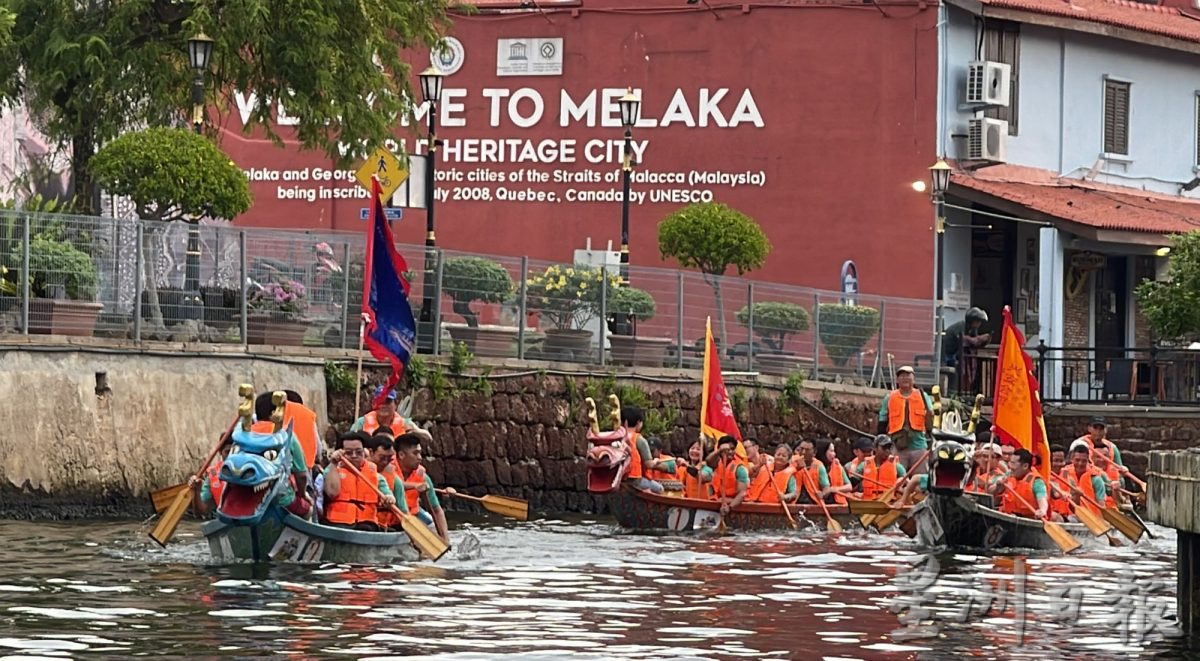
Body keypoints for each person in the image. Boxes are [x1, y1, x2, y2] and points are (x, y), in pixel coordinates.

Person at [323, 433, 396, 531]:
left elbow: (386, 492)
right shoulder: (332, 470)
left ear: (364, 452)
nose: (354, 456)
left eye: (359, 452)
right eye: (348, 453)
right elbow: (332, 493)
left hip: (367, 523)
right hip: (338, 523)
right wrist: (333, 463)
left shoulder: (375, 475)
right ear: (340, 453)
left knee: (368, 528)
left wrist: (389, 498)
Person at [394, 432, 453, 545]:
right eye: (415, 454)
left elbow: (436, 509)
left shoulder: (422, 476)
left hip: (414, 516)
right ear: (401, 455)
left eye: (420, 453)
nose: (420, 458)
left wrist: (445, 540)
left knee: (432, 527)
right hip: (393, 518)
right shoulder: (389, 471)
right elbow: (396, 483)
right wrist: (415, 486)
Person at [876, 365, 934, 474]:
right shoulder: (890, 397)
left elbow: (931, 419)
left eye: (908, 375)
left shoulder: (923, 396)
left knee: (921, 479)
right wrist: (881, 443)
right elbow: (882, 420)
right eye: (901, 376)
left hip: (919, 445)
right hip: (897, 446)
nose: (905, 378)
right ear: (897, 380)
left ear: (914, 378)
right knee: (895, 476)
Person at [991, 449, 1053, 521]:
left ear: (1025, 466)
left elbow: (1042, 499)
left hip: (1028, 519)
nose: (1010, 466)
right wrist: (997, 488)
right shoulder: (1008, 475)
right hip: (1008, 517)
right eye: (1010, 462)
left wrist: (1042, 510)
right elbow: (990, 490)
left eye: (1013, 463)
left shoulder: (1037, 482)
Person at [367, 434, 410, 531]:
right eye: (382, 457)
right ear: (371, 452)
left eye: (389, 458)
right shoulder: (359, 469)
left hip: (381, 526)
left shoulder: (395, 480)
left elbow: (403, 511)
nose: (385, 462)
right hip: (359, 522)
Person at [942, 307, 991, 393]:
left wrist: (985, 340)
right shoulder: (961, 326)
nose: (978, 324)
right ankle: (954, 391)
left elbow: (974, 342)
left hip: (957, 354)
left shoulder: (973, 329)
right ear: (971, 320)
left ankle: (969, 390)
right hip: (947, 354)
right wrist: (979, 338)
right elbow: (965, 340)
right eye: (977, 321)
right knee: (959, 368)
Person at [622, 406, 664, 494]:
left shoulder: (617, 436)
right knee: (660, 489)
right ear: (638, 422)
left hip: (619, 478)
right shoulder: (639, 440)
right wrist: (655, 461)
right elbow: (648, 464)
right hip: (634, 480)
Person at [1059, 444, 1108, 517]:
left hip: (1089, 517)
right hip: (1066, 515)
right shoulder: (1064, 473)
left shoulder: (1096, 479)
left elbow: (1101, 504)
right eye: (1077, 460)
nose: (1080, 464)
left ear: (1088, 460)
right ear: (1072, 459)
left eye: (1084, 461)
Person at [706, 435, 750, 516]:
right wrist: (720, 450)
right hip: (717, 501)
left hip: (733, 504)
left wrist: (729, 507)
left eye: (732, 449)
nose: (730, 451)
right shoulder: (716, 462)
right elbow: (708, 461)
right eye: (727, 449)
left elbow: (742, 493)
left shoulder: (740, 469)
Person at [854, 434, 907, 500]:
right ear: (875, 448)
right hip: (868, 502)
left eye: (889, 447)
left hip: (888, 501)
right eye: (884, 447)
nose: (887, 450)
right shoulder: (864, 465)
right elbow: (852, 484)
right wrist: (857, 494)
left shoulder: (896, 466)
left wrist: (901, 482)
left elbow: (907, 481)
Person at [190, 437, 232, 517]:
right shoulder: (213, 475)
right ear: (220, 452)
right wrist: (197, 491)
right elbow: (200, 511)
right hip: (223, 521)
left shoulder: (251, 471)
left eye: (234, 452)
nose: (231, 456)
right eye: (227, 452)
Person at [351, 387, 420, 437]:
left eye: (387, 402)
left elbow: (427, 437)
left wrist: (415, 432)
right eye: (380, 402)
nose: (383, 406)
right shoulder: (361, 423)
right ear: (373, 404)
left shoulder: (405, 423)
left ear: (396, 404)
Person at [791, 438, 830, 504]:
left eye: (807, 450)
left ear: (814, 452)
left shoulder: (819, 466)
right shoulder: (792, 461)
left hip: (813, 501)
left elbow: (826, 487)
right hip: (794, 500)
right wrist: (796, 468)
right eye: (802, 449)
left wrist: (822, 494)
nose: (803, 452)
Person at [815, 439, 853, 505]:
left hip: (837, 503)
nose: (834, 454)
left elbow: (849, 486)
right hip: (818, 502)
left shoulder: (837, 465)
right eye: (831, 451)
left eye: (834, 451)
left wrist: (833, 489)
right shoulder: (814, 465)